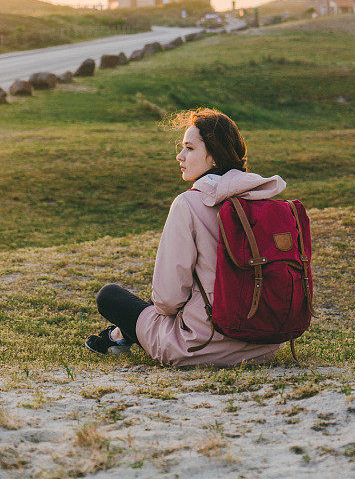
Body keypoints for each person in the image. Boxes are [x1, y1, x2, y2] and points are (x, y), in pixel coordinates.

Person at [85, 107, 285, 367]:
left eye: (190, 148)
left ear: (214, 156)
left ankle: (118, 334)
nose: (180, 156)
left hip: (200, 346)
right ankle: (120, 335)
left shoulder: (188, 204)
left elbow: (168, 301)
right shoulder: (264, 200)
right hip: (264, 345)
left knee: (110, 297)